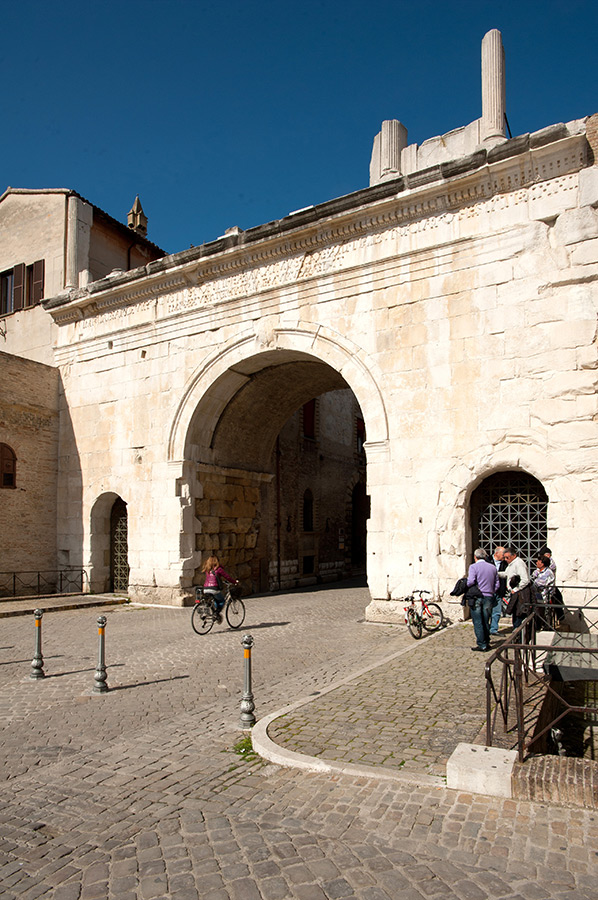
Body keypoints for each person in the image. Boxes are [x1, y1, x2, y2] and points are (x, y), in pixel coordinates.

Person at [467, 548, 499, 652]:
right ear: (485, 557)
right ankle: (487, 641)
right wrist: (491, 591)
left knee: (477, 621)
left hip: (477, 596)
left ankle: (482, 644)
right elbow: (497, 583)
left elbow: (471, 581)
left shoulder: (473, 567)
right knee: (486, 619)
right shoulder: (493, 567)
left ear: (475, 557)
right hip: (489, 596)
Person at [201, 555, 238, 621]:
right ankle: (216, 613)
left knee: (216, 600)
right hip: (214, 589)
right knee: (222, 601)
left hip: (206, 589)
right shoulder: (218, 569)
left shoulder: (207, 570)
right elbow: (227, 577)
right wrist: (234, 582)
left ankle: (213, 612)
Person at [503, 546, 531, 631]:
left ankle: (518, 634)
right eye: (504, 557)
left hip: (520, 594)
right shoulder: (511, 564)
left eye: (507, 557)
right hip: (515, 593)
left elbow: (525, 580)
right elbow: (506, 574)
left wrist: (516, 589)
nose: (505, 559)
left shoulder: (519, 564)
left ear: (514, 555)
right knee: (515, 613)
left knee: (519, 614)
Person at [489, 545, 508, 636]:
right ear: (497, 553)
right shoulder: (487, 561)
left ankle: (493, 629)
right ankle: (486, 628)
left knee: (497, 611)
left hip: (499, 590)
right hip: (488, 591)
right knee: (486, 611)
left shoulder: (505, 563)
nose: (504, 556)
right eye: (503, 554)